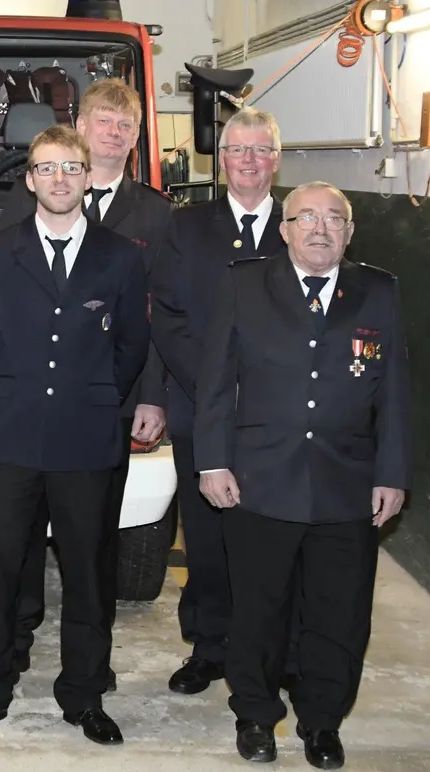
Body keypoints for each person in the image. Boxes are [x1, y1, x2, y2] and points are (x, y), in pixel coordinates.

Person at [195, 181, 411, 768]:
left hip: (347, 485)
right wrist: (212, 461)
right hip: (259, 480)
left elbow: (394, 393)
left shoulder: (379, 292)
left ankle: (322, 721)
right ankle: (257, 716)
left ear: (349, 231)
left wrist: (391, 473)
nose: (320, 228)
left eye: (334, 218)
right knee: (259, 611)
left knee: (338, 614)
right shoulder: (245, 284)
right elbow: (216, 381)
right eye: (306, 217)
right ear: (284, 229)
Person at [0, 125, 148, 745]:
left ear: (89, 175)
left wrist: (93, 396)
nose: (60, 180)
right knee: (0, 568)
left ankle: (84, 694)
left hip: (86, 437)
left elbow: (131, 347)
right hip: (12, 436)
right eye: (47, 169)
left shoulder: (121, 255)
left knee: (90, 575)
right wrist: (5, 382)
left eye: (71, 168)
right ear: (30, 179)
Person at [0, 78, 171, 678]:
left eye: (126, 126)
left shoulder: (153, 214)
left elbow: (147, 322)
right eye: (103, 122)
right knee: (10, 555)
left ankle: (89, 673)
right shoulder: (24, 209)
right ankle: (12, 645)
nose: (113, 134)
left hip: (102, 409)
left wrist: (129, 392)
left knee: (92, 550)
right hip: (22, 413)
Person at [150, 105, 289, 695]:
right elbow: (169, 317)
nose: (249, 162)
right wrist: (215, 390)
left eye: (261, 150)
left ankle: (273, 650)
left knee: (275, 540)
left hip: (282, 419)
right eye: (238, 150)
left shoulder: (303, 223)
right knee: (206, 539)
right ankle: (209, 647)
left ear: (276, 161)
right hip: (202, 411)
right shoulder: (187, 227)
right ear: (220, 158)